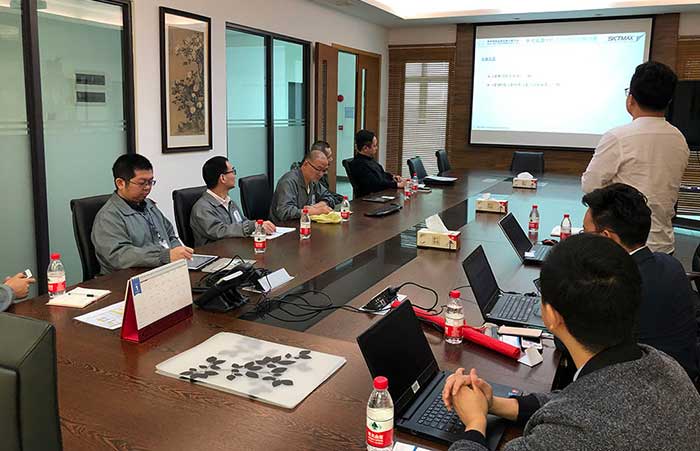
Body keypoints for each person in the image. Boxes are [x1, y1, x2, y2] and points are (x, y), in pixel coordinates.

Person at [443, 234, 700, 451]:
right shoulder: (665, 365)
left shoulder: (567, 436)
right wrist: (496, 404)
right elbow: (582, 398)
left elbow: (579, 415)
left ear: (551, 316)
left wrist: (475, 423)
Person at [582, 183, 699, 380]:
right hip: (683, 376)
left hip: (644, 386)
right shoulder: (670, 264)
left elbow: (573, 342)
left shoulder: (616, 288)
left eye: (585, 233)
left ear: (606, 237)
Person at [581, 61, 689, 254]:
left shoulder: (618, 137)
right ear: (669, 101)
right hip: (663, 244)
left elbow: (590, 187)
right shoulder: (679, 138)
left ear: (631, 99)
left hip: (625, 247)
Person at [92, 154, 193, 274]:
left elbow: (170, 234)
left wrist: (178, 253)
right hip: (127, 278)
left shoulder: (149, 205)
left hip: (162, 270)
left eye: (150, 182)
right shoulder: (108, 217)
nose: (147, 187)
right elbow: (119, 255)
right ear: (120, 183)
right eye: (142, 183)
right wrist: (165, 256)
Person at [190, 156, 276, 247]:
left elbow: (242, 222)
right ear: (223, 178)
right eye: (232, 171)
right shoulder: (202, 208)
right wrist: (252, 226)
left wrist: (259, 227)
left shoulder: (230, 203)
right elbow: (221, 231)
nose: (235, 176)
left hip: (235, 249)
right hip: (215, 253)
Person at [269, 149, 337, 223]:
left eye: (324, 170)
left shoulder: (312, 181)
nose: (321, 174)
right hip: (283, 226)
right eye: (318, 169)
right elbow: (284, 212)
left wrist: (319, 205)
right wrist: (314, 211)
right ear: (305, 164)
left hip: (303, 224)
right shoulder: (288, 181)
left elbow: (330, 197)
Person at [348, 129, 406, 198]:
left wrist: (392, 177)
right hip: (370, 199)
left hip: (378, 195)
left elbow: (380, 173)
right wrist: (397, 185)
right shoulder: (359, 164)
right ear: (365, 148)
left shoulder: (369, 159)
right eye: (374, 146)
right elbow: (376, 184)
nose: (377, 148)